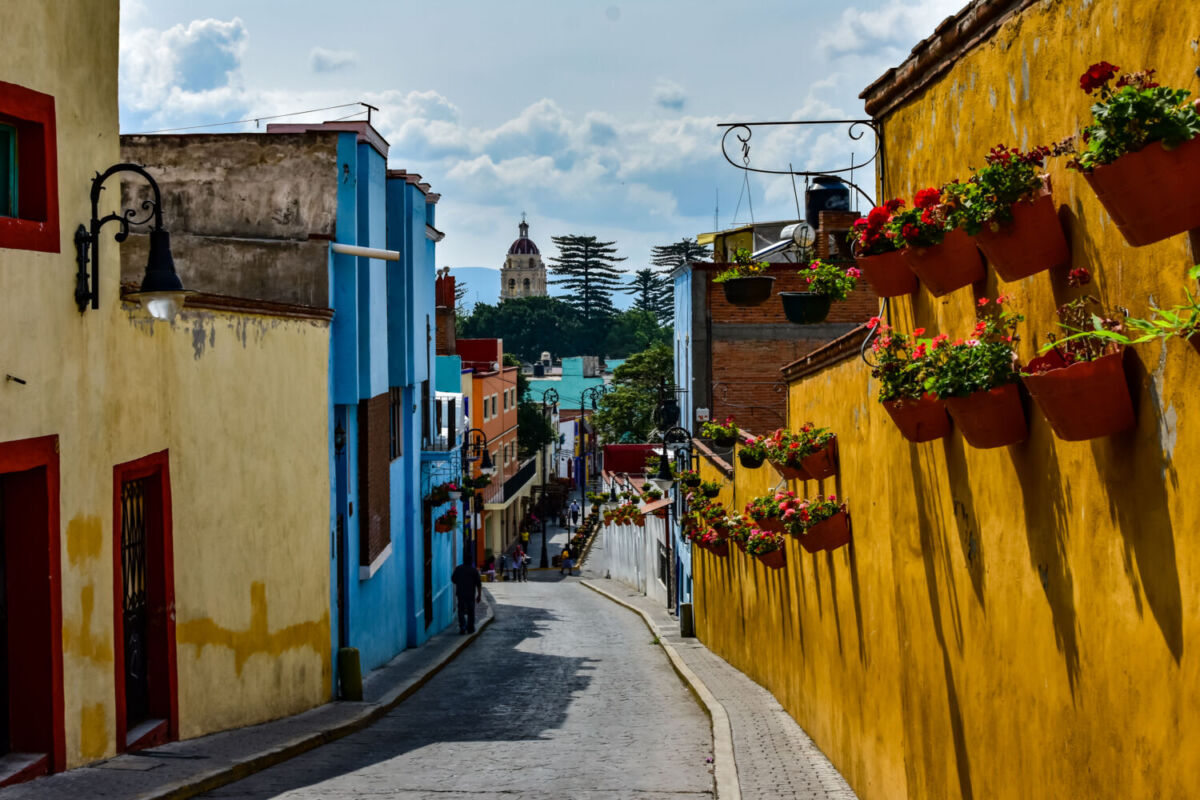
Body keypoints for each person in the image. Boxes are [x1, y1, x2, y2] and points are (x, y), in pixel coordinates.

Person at [451, 560, 482, 634]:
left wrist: (460, 582)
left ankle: (463, 626)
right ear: (471, 562)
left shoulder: (458, 569)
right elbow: (478, 584)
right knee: (471, 611)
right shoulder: (474, 570)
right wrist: (479, 595)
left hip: (461, 593)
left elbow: (453, 579)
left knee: (461, 611)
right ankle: (470, 628)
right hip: (470, 594)